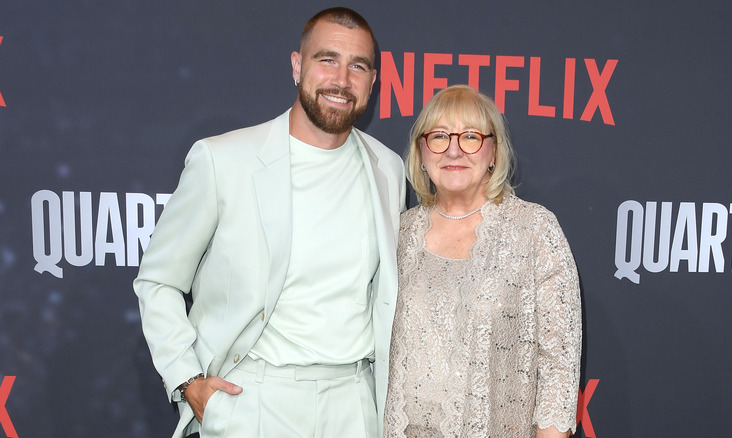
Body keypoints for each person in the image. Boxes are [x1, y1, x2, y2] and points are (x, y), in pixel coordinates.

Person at [134, 7, 405, 438]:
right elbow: (158, 281)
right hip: (254, 400)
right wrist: (187, 381)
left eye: (358, 66)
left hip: (354, 404)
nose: (342, 79)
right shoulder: (223, 160)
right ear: (298, 66)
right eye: (327, 59)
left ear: (373, 82)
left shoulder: (388, 169)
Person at [383, 85, 582, 438]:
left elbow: (558, 371)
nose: (454, 150)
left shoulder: (534, 230)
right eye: (439, 136)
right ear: (421, 151)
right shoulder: (398, 232)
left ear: (494, 151)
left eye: (471, 136)